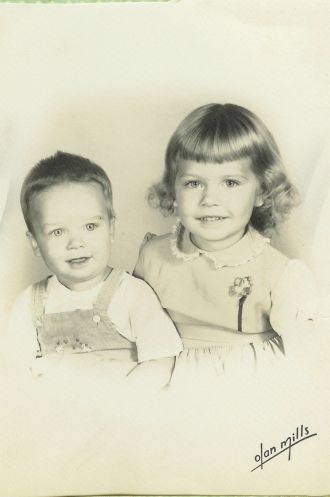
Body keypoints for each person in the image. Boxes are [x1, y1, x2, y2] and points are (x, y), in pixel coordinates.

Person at [134, 103, 316, 385]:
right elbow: (133, 327)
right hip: (170, 380)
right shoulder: (153, 256)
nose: (210, 199)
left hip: (252, 386)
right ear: (173, 190)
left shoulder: (279, 273)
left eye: (230, 183)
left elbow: (309, 360)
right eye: (194, 183)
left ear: (261, 192)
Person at [6, 151, 182, 389]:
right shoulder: (29, 305)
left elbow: (161, 360)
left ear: (110, 229)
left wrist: (120, 406)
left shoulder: (132, 295)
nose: (76, 243)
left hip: (121, 413)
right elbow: (14, 372)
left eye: (90, 226)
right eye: (58, 232)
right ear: (36, 243)